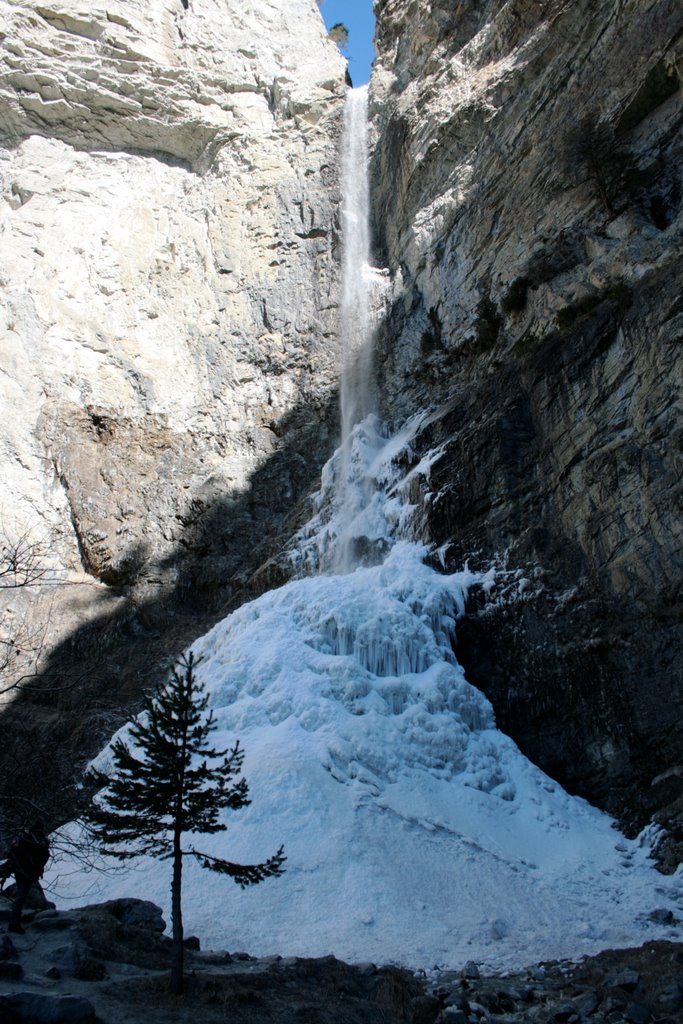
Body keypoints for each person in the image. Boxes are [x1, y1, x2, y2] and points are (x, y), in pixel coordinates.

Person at [0, 820, 50, 934]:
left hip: (19, 870)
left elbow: (13, 853)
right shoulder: (39, 841)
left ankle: (15, 921)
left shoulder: (24, 837)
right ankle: (14, 923)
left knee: (21, 897)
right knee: (21, 897)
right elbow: (43, 856)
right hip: (28, 873)